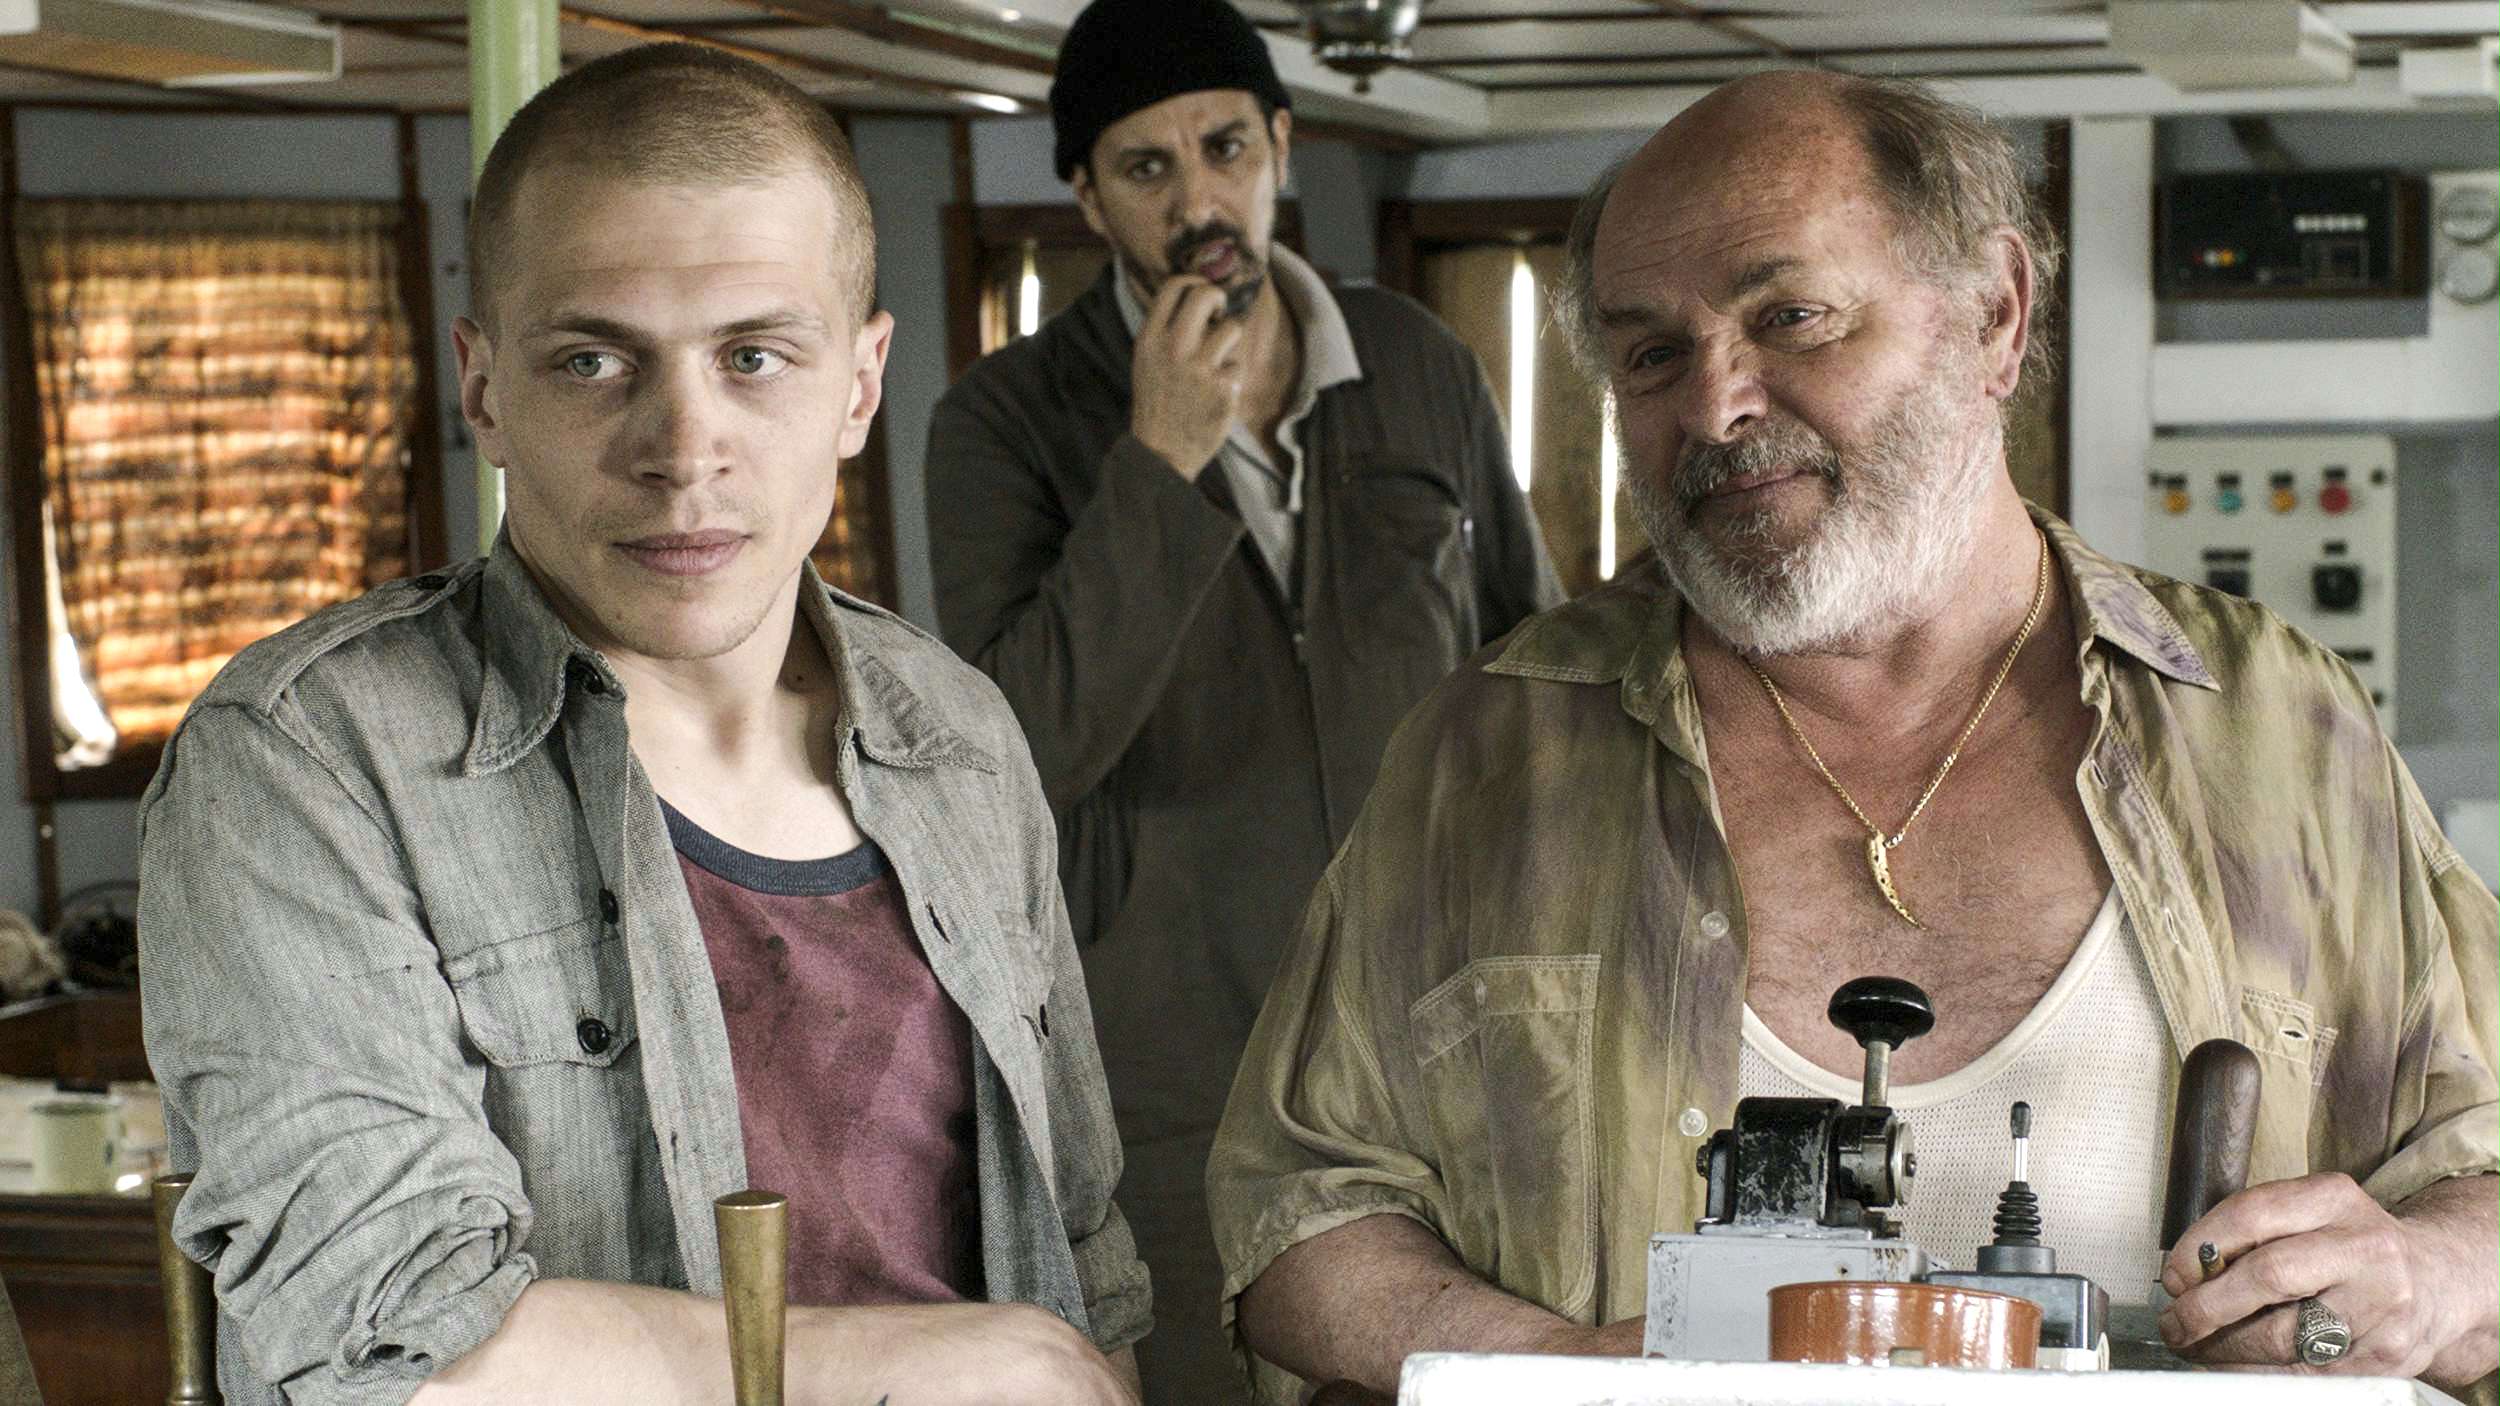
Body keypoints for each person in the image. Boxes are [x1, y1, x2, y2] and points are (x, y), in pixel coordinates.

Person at [1208, 70, 2500, 1403]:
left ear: (1995, 314)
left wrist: (2430, 1273)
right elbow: (1295, 1211)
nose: (1715, 408)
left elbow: (2485, 1172)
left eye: (1792, 318)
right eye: (1652, 355)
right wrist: (1568, 1369)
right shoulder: (1487, 756)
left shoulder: (2274, 724)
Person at [138, 43, 1145, 1406]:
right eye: (595, 360)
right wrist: (953, 1359)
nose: (683, 447)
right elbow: (389, 1352)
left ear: (860, 385)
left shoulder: (958, 732)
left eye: (755, 356)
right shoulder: (306, 761)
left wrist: (1055, 1360)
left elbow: (1084, 1269)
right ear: (484, 388)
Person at [924, 1, 1560, 1398]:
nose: (1198, 201)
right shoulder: (1003, 421)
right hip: (1170, 1067)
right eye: (1145, 168)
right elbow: (1012, 751)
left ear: (1280, 143)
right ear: (1087, 197)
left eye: (1223, 148)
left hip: (1440, 1034)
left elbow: (1536, 674)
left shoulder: (1417, 362)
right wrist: (1158, 465)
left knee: (1450, 1379)